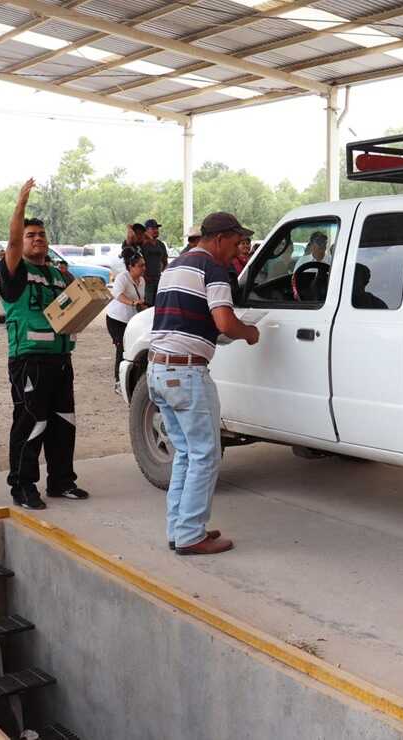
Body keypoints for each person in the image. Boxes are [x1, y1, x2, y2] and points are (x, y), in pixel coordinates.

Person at [148, 212, 260, 556]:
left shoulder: (175, 266)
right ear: (220, 238)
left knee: (185, 452)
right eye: (237, 241)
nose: (238, 248)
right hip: (186, 374)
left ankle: (180, 529)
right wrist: (250, 332)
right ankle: (190, 535)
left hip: (158, 370)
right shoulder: (213, 269)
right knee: (205, 455)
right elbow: (225, 321)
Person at [0, 179, 90, 510]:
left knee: (63, 421)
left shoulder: (57, 274)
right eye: (30, 235)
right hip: (29, 360)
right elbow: (11, 241)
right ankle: (22, 486)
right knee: (31, 422)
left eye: (41, 235)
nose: (37, 239)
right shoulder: (14, 271)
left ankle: (61, 481)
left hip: (61, 359)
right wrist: (20, 205)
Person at [107, 249, 146, 389]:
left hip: (131, 321)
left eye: (144, 265)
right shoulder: (122, 277)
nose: (143, 268)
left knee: (130, 348)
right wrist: (132, 303)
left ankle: (130, 379)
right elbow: (117, 294)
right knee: (121, 347)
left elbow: (140, 299)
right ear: (131, 267)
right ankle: (118, 381)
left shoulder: (142, 280)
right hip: (116, 319)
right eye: (140, 265)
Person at [140, 219, 168, 305]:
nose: (156, 230)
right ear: (146, 230)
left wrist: (162, 272)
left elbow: (165, 260)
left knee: (158, 304)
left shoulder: (161, 244)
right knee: (147, 304)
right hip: (146, 281)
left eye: (157, 228)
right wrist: (143, 276)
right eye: (153, 228)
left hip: (158, 279)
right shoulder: (142, 244)